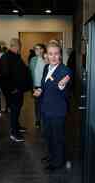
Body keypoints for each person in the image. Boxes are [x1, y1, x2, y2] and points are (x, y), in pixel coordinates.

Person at [33, 42, 72, 171]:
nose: (53, 57)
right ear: (47, 55)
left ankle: (57, 162)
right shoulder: (46, 68)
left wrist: (61, 86)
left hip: (57, 111)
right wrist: (40, 90)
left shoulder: (65, 71)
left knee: (57, 138)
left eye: (56, 54)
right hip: (45, 109)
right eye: (51, 54)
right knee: (48, 135)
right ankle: (51, 156)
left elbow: (65, 90)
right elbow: (45, 86)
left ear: (60, 55)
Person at [0, 38, 32, 142]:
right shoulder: (6, 57)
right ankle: (14, 133)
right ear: (14, 46)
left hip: (19, 89)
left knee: (18, 109)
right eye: (19, 46)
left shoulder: (16, 56)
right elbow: (5, 75)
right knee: (14, 110)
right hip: (13, 91)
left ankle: (17, 126)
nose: (20, 48)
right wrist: (13, 89)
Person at [29, 43, 47, 128]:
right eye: (35, 49)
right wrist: (31, 86)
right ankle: (38, 120)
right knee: (37, 104)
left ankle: (45, 119)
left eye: (39, 48)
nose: (37, 50)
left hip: (46, 86)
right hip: (36, 85)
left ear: (43, 50)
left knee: (45, 103)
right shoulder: (33, 59)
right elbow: (30, 73)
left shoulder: (46, 59)